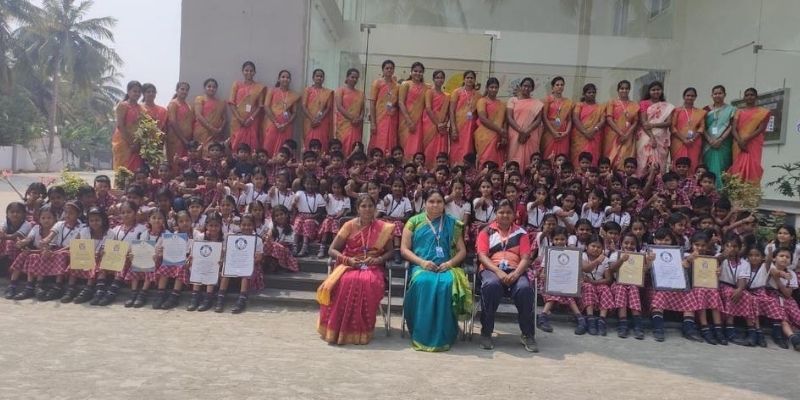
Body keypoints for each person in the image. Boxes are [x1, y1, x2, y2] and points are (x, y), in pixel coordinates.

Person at [317, 195, 394, 345]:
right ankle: (339, 329)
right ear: (357, 209)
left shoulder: (383, 228)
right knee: (346, 281)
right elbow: (332, 250)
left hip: (373, 266)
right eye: (363, 206)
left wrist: (379, 259)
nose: (367, 209)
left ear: (375, 208)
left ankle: (361, 330)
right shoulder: (349, 225)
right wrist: (348, 260)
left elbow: (391, 251)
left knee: (367, 281)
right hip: (349, 264)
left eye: (370, 206)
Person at [402, 189, 471, 352]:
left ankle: (445, 334)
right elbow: (404, 249)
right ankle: (421, 332)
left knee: (447, 284)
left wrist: (449, 263)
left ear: (444, 204)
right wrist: (422, 262)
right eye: (431, 201)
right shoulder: (413, 221)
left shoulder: (452, 223)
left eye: (439, 202)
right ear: (424, 203)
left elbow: (462, 251)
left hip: (446, 266)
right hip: (421, 266)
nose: (435, 205)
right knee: (423, 282)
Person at [475, 199, 538, 352]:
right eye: (501, 212)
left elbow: (525, 258)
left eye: (508, 212)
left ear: (514, 214)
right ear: (495, 214)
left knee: (524, 289)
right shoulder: (486, 232)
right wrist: (498, 272)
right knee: (491, 286)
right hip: (492, 270)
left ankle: (527, 334)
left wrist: (516, 274)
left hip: (516, 270)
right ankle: (486, 332)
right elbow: (482, 256)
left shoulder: (521, 233)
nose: (505, 215)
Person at [729, 87, 770, 185]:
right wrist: (740, 141)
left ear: (756, 97)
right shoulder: (738, 112)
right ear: (744, 97)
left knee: (753, 166)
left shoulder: (762, 112)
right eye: (747, 95)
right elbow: (734, 129)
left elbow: (761, 128)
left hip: (753, 143)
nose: (749, 97)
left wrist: (746, 139)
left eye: (752, 95)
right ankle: (737, 190)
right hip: (738, 144)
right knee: (737, 167)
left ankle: (751, 191)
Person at [636, 81, 674, 175]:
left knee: (660, 162)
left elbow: (669, 122)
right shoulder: (643, 103)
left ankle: (659, 180)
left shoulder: (667, 106)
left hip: (661, 137)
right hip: (646, 135)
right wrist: (652, 137)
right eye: (653, 90)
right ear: (649, 91)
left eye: (658, 89)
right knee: (644, 160)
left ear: (661, 91)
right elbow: (644, 122)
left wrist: (653, 125)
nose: (656, 92)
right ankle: (642, 179)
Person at [506, 77, 543, 171]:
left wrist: (526, 132)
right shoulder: (512, 100)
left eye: (529, 87)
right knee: (514, 156)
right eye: (524, 86)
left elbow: (538, 120)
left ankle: (528, 176)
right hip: (515, 133)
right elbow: (509, 117)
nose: (526, 88)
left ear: (532, 89)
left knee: (530, 157)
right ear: (521, 86)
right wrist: (521, 131)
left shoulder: (537, 103)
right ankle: (514, 176)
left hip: (530, 134)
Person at [228, 61, 266, 152]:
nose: (249, 72)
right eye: (246, 70)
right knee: (236, 144)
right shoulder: (236, 84)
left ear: (254, 72)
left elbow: (260, 106)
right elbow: (231, 103)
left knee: (252, 144)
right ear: (242, 71)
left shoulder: (259, 87)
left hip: (252, 121)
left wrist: (251, 119)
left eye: (251, 71)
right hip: (238, 120)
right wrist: (239, 119)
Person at [702, 85, 735, 189]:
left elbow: (732, 126)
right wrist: (709, 140)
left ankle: (721, 192)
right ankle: (707, 191)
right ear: (711, 95)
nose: (717, 95)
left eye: (720, 93)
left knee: (722, 169)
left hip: (724, 144)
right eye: (715, 93)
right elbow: (701, 127)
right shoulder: (705, 110)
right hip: (708, 145)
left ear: (725, 95)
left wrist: (720, 139)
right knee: (708, 169)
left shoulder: (731, 109)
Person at [604, 80, 639, 170]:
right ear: (618, 90)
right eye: (622, 88)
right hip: (613, 134)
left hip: (628, 135)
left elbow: (635, 121)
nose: (624, 90)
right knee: (611, 156)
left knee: (625, 157)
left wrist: (626, 135)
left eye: (626, 88)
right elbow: (609, 119)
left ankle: (622, 174)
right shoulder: (612, 102)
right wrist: (621, 133)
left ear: (629, 90)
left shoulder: (634, 104)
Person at [263, 70, 299, 157]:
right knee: (269, 145)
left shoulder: (294, 95)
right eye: (283, 77)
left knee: (285, 148)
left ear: (290, 80)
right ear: (279, 79)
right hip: (272, 124)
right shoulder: (272, 91)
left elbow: (294, 112)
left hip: (286, 126)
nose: (285, 79)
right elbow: (266, 107)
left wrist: (286, 124)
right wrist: (276, 123)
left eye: (287, 77)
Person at [670, 87, 706, 174]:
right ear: (684, 96)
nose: (690, 97)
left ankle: (691, 181)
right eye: (688, 95)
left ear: (695, 97)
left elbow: (701, 127)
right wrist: (683, 139)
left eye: (692, 96)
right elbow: (672, 127)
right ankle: (676, 181)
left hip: (694, 142)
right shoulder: (676, 111)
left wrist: (693, 138)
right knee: (678, 163)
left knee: (693, 162)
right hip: (678, 142)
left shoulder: (700, 112)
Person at [570, 83, 605, 169]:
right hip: (580, 136)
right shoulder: (579, 105)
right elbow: (575, 118)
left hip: (594, 136)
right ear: (584, 94)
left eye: (593, 92)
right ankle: (578, 173)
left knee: (593, 157)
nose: (592, 94)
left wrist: (594, 130)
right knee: (578, 157)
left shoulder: (600, 107)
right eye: (589, 92)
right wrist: (585, 132)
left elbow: (602, 120)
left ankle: (592, 173)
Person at [448, 70, 480, 164]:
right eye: (467, 78)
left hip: (471, 128)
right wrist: (453, 128)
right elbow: (451, 110)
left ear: (475, 80)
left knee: (468, 149)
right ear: (464, 79)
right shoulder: (457, 92)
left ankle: (466, 169)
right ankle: (455, 168)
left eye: (472, 78)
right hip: (458, 127)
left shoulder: (478, 95)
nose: (469, 80)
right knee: (456, 149)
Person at [398, 62, 428, 161]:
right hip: (406, 121)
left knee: (417, 146)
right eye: (415, 71)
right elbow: (401, 102)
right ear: (411, 72)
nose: (418, 73)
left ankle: (415, 167)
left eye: (420, 71)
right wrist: (409, 120)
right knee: (405, 145)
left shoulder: (426, 87)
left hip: (419, 121)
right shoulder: (405, 84)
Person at [112, 81, 144, 171]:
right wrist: (131, 143)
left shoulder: (142, 108)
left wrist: (137, 143)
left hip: (137, 143)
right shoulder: (123, 105)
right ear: (128, 92)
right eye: (134, 91)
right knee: (123, 170)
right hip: (123, 141)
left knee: (136, 170)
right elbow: (120, 126)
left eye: (139, 92)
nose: (137, 94)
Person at [474, 77, 507, 167]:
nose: (494, 89)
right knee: (485, 161)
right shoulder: (482, 101)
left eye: (496, 87)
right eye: (491, 87)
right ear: (487, 88)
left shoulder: (502, 104)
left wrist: (504, 136)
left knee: (497, 162)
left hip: (498, 137)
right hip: (484, 136)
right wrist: (499, 130)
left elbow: (504, 121)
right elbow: (483, 119)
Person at [422, 70, 450, 170]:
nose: (439, 79)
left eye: (441, 77)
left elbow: (448, 112)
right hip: (430, 123)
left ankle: (441, 169)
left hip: (442, 126)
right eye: (437, 77)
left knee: (441, 147)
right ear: (433, 79)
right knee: (429, 147)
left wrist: (445, 123)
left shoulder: (447, 96)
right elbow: (428, 108)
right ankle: (428, 169)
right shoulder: (429, 92)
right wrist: (438, 124)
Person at [369, 60, 399, 155]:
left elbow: (398, 103)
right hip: (380, 118)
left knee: (391, 140)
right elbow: (372, 103)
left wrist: (394, 108)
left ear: (394, 70)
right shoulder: (377, 83)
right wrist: (373, 123)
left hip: (392, 118)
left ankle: (389, 160)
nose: (389, 70)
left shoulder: (397, 85)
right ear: (383, 70)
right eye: (387, 68)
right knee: (379, 140)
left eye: (391, 68)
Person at [541, 76, 574, 161]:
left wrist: (566, 132)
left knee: (562, 156)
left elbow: (569, 119)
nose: (560, 87)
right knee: (548, 155)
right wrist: (553, 132)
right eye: (557, 85)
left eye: (562, 85)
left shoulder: (568, 102)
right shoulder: (547, 100)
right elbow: (544, 118)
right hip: (550, 132)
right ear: (552, 87)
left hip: (563, 133)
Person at [334, 68, 365, 154]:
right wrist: (352, 118)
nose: (354, 79)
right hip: (344, 123)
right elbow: (339, 106)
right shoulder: (340, 90)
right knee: (343, 144)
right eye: (352, 77)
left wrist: (360, 118)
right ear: (347, 77)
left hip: (356, 125)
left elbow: (362, 109)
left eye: (356, 78)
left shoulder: (361, 93)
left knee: (355, 145)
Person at [301, 69, 333, 151]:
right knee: (309, 142)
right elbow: (304, 106)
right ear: (313, 77)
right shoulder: (307, 90)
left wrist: (319, 119)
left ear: (323, 78)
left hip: (322, 122)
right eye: (317, 76)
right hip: (309, 121)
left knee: (322, 142)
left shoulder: (328, 92)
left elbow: (328, 108)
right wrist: (312, 119)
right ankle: (308, 157)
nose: (319, 78)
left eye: (321, 76)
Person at [193, 78, 227, 155]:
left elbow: (224, 119)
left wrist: (220, 129)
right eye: (209, 86)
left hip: (216, 134)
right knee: (200, 152)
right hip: (202, 132)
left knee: (214, 153)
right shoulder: (200, 99)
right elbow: (198, 115)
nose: (211, 88)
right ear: (204, 88)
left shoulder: (221, 103)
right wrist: (211, 128)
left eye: (214, 87)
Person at [166, 81, 195, 163]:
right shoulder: (173, 104)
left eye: (186, 90)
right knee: (175, 162)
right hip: (176, 139)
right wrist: (183, 140)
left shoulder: (188, 105)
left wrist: (188, 140)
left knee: (184, 163)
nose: (184, 91)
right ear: (177, 90)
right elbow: (173, 122)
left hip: (187, 141)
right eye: (182, 89)